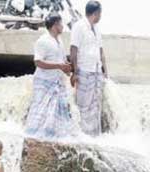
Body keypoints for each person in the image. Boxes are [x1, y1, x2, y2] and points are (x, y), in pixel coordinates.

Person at [25, 14, 74, 139]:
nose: (63, 27)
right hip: (44, 82)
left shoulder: (59, 41)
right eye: (61, 24)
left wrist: (66, 67)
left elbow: (62, 60)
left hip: (58, 82)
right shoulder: (43, 41)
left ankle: (57, 137)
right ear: (55, 25)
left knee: (60, 109)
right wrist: (59, 65)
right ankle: (33, 137)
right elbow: (38, 62)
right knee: (40, 111)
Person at [70, 1, 107, 136]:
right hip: (84, 71)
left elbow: (101, 51)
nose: (101, 16)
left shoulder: (97, 29)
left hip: (96, 72)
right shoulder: (79, 27)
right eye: (100, 13)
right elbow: (73, 50)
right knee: (83, 106)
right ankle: (81, 135)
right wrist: (74, 72)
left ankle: (93, 136)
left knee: (95, 106)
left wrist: (105, 72)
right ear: (95, 13)